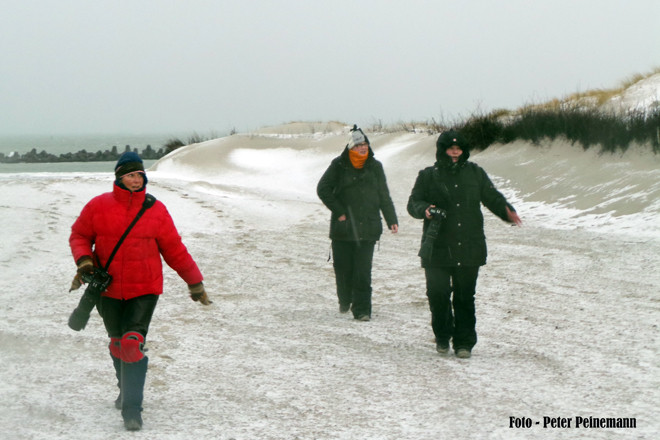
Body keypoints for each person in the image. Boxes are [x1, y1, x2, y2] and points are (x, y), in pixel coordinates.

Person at [68, 151, 212, 431]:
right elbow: (80, 235)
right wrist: (84, 260)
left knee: (132, 343)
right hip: (107, 289)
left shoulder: (155, 210)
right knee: (117, 343)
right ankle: (125, 389)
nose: (136, 180)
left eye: (139, 175)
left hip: (144, 288)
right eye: (130, 175)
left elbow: (174, 250)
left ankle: (132, 410)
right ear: (119, 177)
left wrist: (195, 283)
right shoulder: (98, 206)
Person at [407, 130, 521, 358]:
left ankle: (464, 343)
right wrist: (426, 210)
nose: (455, 152)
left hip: (469, 245)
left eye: (458, 149)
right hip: (436, 246)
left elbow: (491, 196)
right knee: (438, 294)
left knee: (464, 296)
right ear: (442, 150)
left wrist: (507, 211)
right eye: (450, 148)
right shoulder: (428, 175)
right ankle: (442, 335)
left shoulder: (475, 173)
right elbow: (413, 203)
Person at [317, 125, 399, 321]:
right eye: (359, 145)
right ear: (350, 147)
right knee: (344, 269)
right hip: (343, 227)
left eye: (365, 145)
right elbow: (323, 189)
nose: (363, 148)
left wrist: (391, 219)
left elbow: (383, 195)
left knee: (363, 271)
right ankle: (345, 299)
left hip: (368, 226)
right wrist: (340, 211)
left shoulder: (375, 166)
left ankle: (362, 310)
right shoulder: (339, 165)